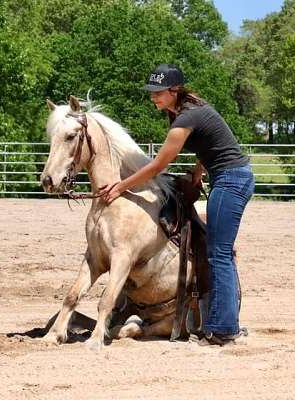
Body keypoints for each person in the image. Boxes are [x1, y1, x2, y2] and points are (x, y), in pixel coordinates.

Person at [99, 63, 255, 345]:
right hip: (231, 176)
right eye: (152, 92)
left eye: (158, 92)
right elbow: (215, 143)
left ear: (174, 90)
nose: (153, 97)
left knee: (218, 253)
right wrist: (198, 172)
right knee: (218, 251)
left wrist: (121, 185)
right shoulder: (187, 112)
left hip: (230, 180)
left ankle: (224, 330)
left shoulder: (185, 119)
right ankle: (224, 323)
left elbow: (159, 165)